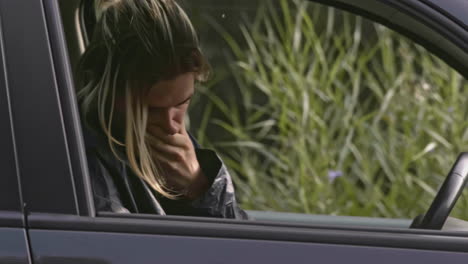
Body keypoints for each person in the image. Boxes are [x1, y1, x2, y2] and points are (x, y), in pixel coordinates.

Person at [77, 0, 247, 219]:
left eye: (181, 103)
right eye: (152, 109)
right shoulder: (84, 159)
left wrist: (199, 185)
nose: (170, 124)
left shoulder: (169, 143)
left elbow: (237, 241)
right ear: (110, 93)